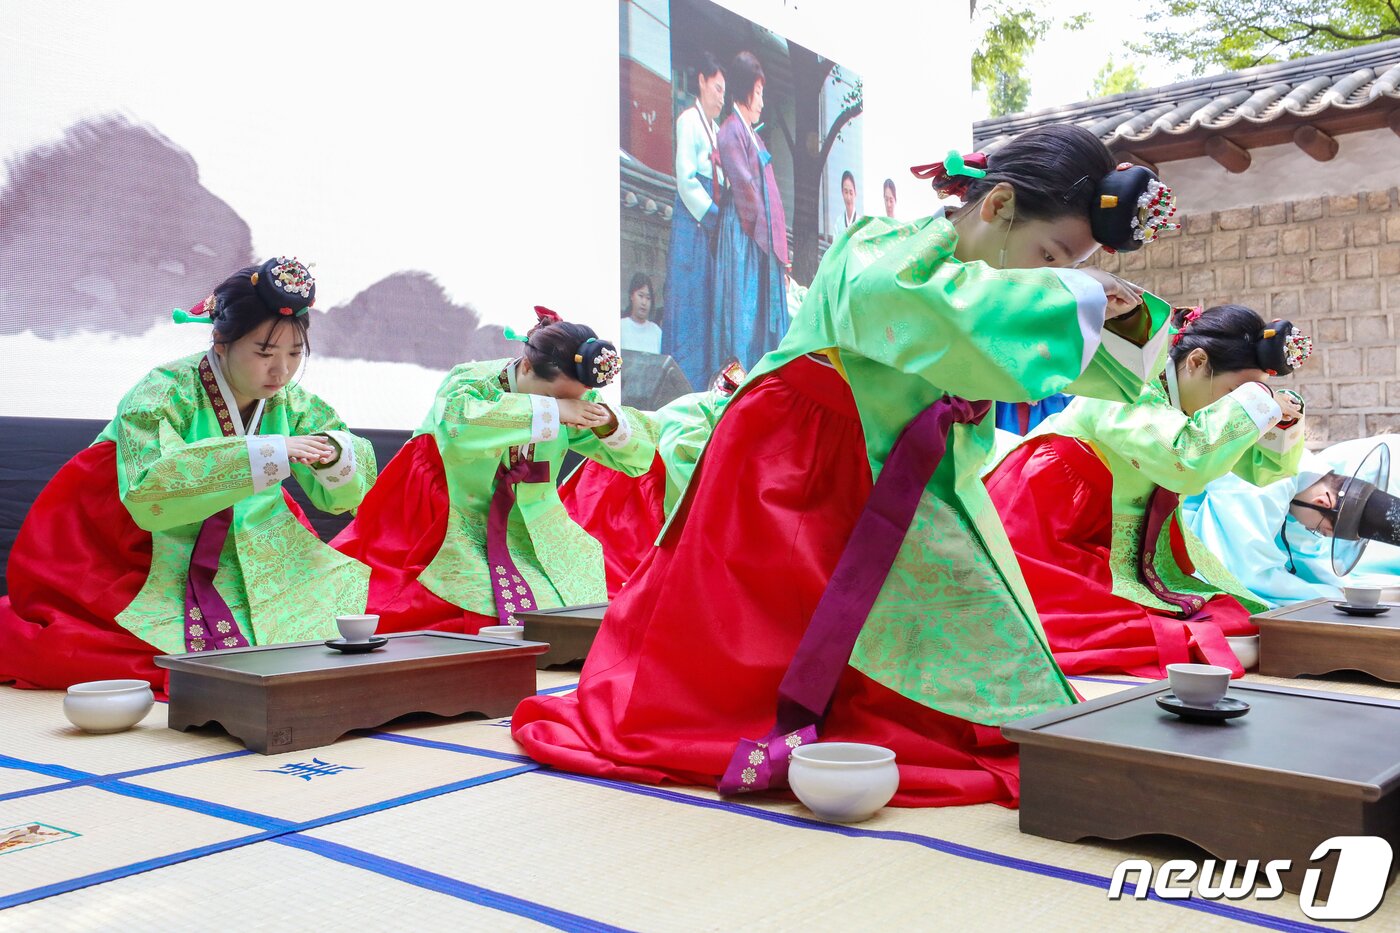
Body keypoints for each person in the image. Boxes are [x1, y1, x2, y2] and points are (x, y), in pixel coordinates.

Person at [513, 125, 1180, 808]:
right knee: (753, 662)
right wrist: (1078, 297)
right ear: (999, 206)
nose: (1053, 280)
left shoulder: (994, 286)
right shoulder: (886, 244)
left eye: (1066, 268)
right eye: (1051, 255)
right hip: (794, 460)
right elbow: (905, 306)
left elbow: (1071, 342)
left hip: (893, 468)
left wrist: (1115, 313)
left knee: (991, 666)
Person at [0, 258, 376, 692]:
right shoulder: (162, 391)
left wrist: (332, 452)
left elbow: (342, 489)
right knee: (121, 652)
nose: (281, 371)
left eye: (294, 354)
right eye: (264, 353)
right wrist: (267, 452)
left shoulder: (288, 400)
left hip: (246, 533)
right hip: (136, 539)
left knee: (313, 631)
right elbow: (149, 489)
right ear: (221, 340)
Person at [986, 305, 1312, 678]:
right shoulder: (1125, 390)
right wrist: (1255, 404)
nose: (1235, 404)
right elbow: (1188, 461)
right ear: (1197, 361)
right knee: (1082, 629)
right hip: (1044, 534)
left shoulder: (1189, 406)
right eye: (1234, 392)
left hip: (1109, 547)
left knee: (1235, 618)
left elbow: (1262, 470)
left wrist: (1277, 415)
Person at [332, 307, 655, 633]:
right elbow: (459, 429)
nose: (565, 408)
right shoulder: (469, 383)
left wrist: (610, 424)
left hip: (528, 523)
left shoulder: (568, 395)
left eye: (573, 400)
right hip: (448, 516)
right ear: (526, 365)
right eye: (551, 398)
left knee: (574, 603)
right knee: (465, 612)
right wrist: (553, 410)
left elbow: (636, 458)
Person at [561, 361, 746, 596]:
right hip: (628, 487)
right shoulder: (694, 418)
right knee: (615, 579)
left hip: (649, 487)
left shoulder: (725, 415)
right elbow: (692, 485)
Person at [1184, 435, 1400, 606]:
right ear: (1323, 502)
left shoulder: (1304, 483)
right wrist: (1328, 598)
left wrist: (1339, 591)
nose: (1311, 530)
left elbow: (1305, 556)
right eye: (1321, 531)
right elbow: (1252, 573)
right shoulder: (1264, 485)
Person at [712, 51, 789, 376]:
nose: (761, 100)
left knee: (757, 321)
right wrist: (764, 242)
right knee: (743, 314)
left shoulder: (752, 134)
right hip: (745, 237)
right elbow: (745, 189)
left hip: (758, 239)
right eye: (758, 92)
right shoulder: (730, 131)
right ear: (745, 90)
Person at [663, 51, 726, 392]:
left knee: (708, 305)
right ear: (701, 81)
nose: (721, 97)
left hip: (714, 222)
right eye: (716, 88)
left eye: (724, 92)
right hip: (695, 222)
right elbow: (686, 179)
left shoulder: (718, 130)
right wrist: (713, 215)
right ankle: (681, 384)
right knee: (689, 299)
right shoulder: (689, 120)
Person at [620, 272, 662, 354]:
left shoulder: (656, 332)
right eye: (640, 296)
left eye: (648, 298)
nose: (644, 302)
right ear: (631, 296)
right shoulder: (620, 327)